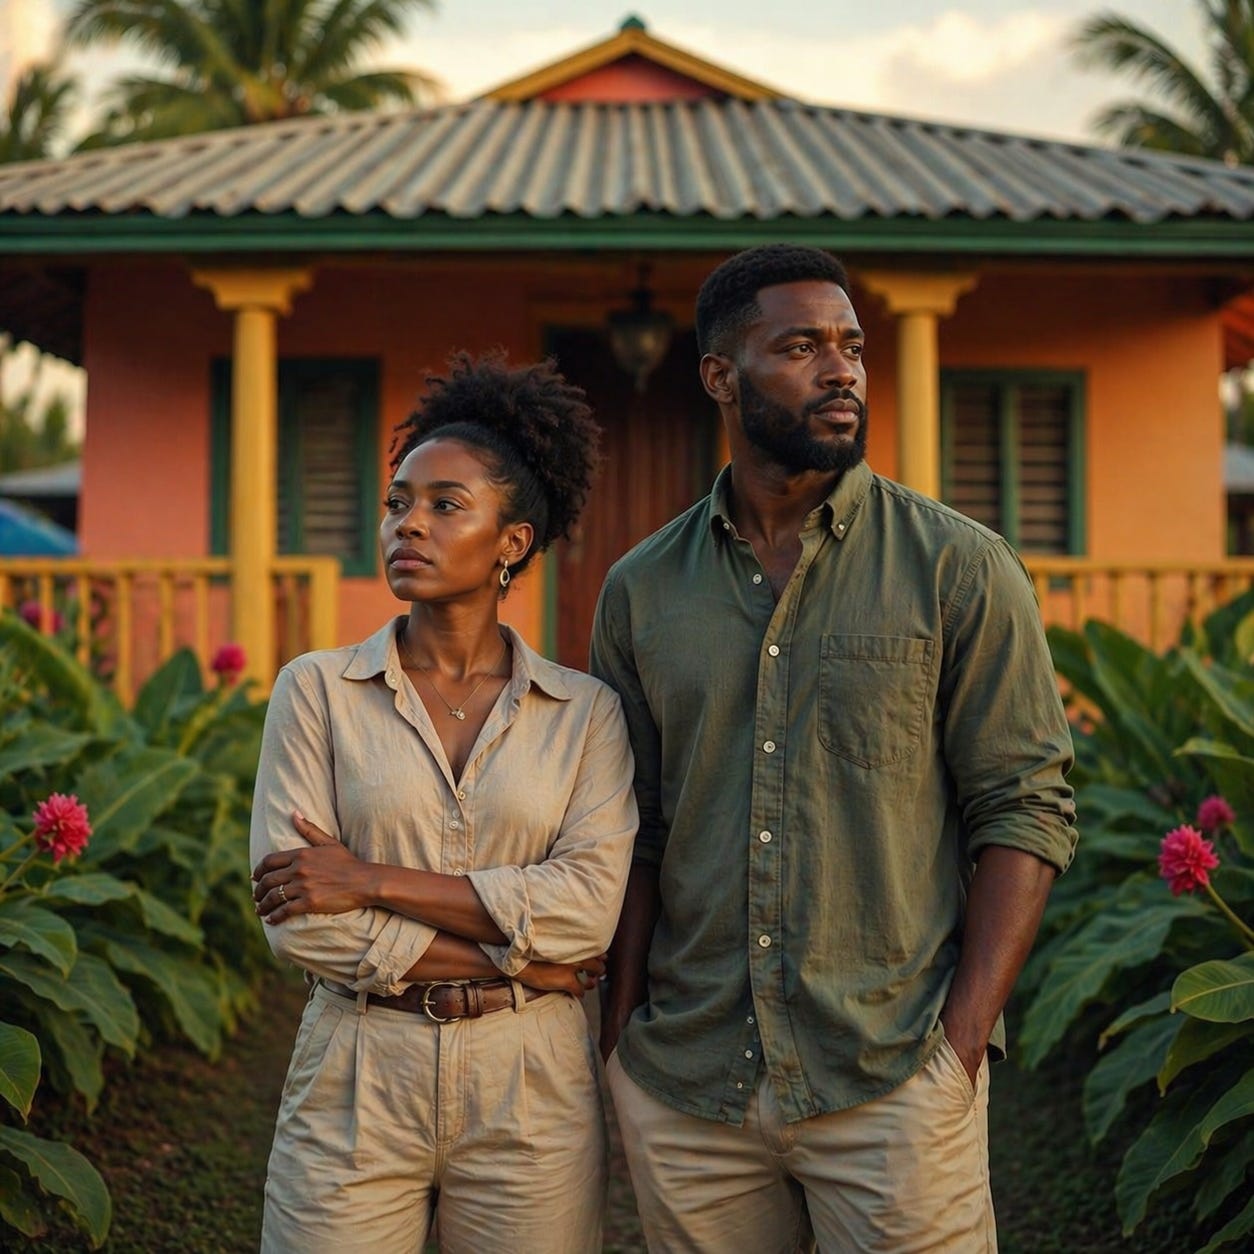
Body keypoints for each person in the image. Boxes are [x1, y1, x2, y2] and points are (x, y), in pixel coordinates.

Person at [590, 244, 1077, 1253]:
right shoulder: (641, 590)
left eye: (852, 345)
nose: (842, 369)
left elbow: (1025, 806)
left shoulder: (961, 569)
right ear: (721, 376)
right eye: (802, 345)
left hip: (893, 1081)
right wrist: (620, 1043)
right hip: (691, 1090)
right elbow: (631, 825)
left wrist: (961, 1048)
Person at [249, 351, 637, 1253]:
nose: (406, 525)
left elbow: (586, 916)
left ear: (514, 543)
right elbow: (301, 923)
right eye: (397, 503)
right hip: (354, 1066)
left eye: (443, 505)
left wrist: (369, 878)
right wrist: (524, 962)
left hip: (530, 1085)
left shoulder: (584, 716)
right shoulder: (317, 693)